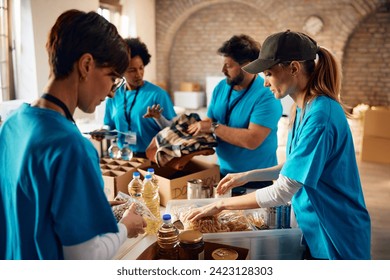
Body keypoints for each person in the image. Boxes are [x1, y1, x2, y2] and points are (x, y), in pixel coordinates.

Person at [185, 30, 371, 260]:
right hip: (314, 225)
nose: (264, 83)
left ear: (294, 68)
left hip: (335, 230)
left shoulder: (320, 116)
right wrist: (247, 175)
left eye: (269, 73)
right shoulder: (303, 107)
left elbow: (283, 191)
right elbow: (295, 166)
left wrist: (221, 205)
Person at [0, 9, 146, 260]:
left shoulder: (12, 124)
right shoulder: (71, 147)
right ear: (87, 65)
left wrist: (94, 210)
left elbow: (33, 210)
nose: (112, 92)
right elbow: (83, 259)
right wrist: (125, 228)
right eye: (112, 77)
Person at [187, 34, 282, 193]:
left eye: (228, 66)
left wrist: (213, 127)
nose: (223, 70)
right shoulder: (221, 87)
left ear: (248, 65)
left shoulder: (266, 94)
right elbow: (209, 119)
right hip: (224, 173)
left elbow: (252, 140)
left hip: (256, 181)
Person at [102, 37, 176, 158]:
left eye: (141, 68)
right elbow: (109, 127)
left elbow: (173, 131)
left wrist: (158, 117)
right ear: (121, 71)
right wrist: (102, 133)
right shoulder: (113, 95)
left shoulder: (157, 94)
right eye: (132, 70)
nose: (138, 74)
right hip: (124, 156)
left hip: (152, 156)